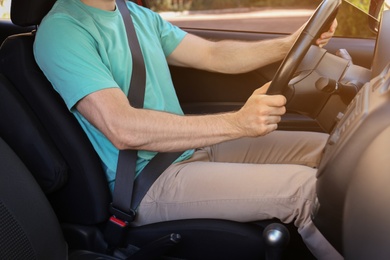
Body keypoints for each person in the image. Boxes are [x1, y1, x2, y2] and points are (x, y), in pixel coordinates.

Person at [33, 0, 340, 259]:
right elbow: (122, 128)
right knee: (305, 191)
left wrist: (291, 43)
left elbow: (213, 55)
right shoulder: (62, 30)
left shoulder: (133, 14)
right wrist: (237, 122)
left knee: (333, 149)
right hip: (146, 181)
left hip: (184, 149)